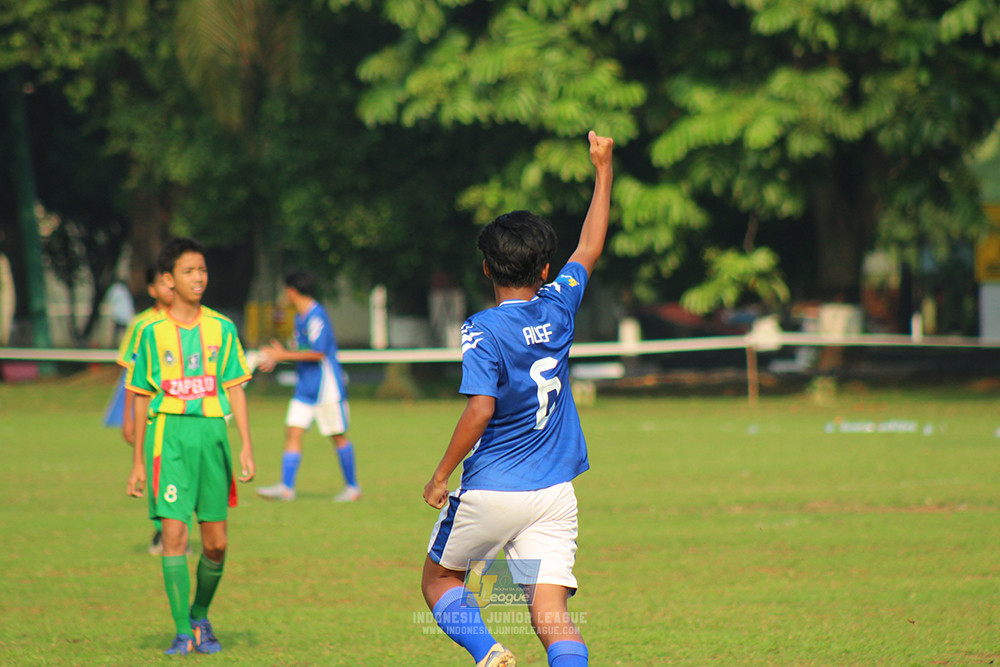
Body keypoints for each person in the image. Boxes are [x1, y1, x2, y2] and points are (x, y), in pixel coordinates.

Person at [421, 131, 613, 667]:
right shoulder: (559, 305)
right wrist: (603, 169)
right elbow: (591, 246)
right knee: (550, 613)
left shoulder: (482, 329)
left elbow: (480, 408)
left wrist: (441, 476)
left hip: (492, 490)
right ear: (546, 269)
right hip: (555, 490)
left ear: (486, 268)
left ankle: (489, 653)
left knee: (439, 580)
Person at [126, 237, 255, 656]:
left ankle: (200, 614)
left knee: (216, 543)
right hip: (170, 437)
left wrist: (246, 446)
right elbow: (142, 394)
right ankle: (182, 631)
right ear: (168, 279)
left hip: (212, 435)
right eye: (188, 271)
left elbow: (235, 387)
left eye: (202, 270)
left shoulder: (222, 328)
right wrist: (137, 463)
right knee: (175, 536)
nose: (198, 277)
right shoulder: (149, 332)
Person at [256, 269, 361, 503]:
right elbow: (300, 351)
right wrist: (278, 356)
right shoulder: (300, 317)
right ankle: (286, 488)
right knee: (293, 430)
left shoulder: (316, 316)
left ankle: (352, 488)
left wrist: (282, 353)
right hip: (305, 387)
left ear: (292, 291)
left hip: (326, 388)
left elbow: (317, 353)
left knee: (337, 436)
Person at [110, 267, 174, 555]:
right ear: (152, 289)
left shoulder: (190, 321)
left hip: (182, 412)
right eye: (164, 283)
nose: (170, 288)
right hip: (151, 413)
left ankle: (172, 530)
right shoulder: (142, 325)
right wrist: (127, 418)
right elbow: (131, 374)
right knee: (157, 474)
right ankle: (163, 532)